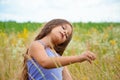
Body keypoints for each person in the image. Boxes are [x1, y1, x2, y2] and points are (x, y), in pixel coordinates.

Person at [20, 19, 96, 80]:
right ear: (52, 26)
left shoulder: (58, 58)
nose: (65, 32)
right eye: (63, 28)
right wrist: (78, 58)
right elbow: (45, 62)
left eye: (67, 35)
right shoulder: (36, 45)